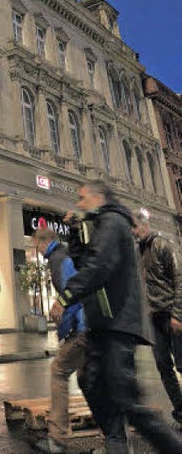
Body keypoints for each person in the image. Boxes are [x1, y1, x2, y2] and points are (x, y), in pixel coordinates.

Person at [50, 180, 182, 454]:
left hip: (117, 324)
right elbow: (85, 264)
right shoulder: (102, 225)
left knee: (128, 403)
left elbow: (98, 268)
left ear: (98, 197)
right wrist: (75, 234)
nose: (79, 203)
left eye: (82, 197)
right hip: (105, 324)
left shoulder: (112, 222)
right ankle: (116, 445)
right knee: (90, 382)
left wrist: (64, 299)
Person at [31, 227, 86, 454]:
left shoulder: (58, 259)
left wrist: (64, 331)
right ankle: (114, 437)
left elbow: (71, 295)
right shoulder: (62, 256)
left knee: (59, 371)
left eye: (37, 245)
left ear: (45, 242)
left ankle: (57, 439)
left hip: (83, 328)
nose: (37, 250)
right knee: (89, 380)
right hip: (90, 328)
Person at [132, 208, 182, 424]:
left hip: (172, 314)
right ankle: (180, 409)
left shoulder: (163, 246)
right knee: (163, 365)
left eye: (134, 227)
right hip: (154, 317)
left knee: (181, 364)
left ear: (144, 225)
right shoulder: (138, 252)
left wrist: (178, 315)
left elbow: (180, 280)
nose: (132, 232)